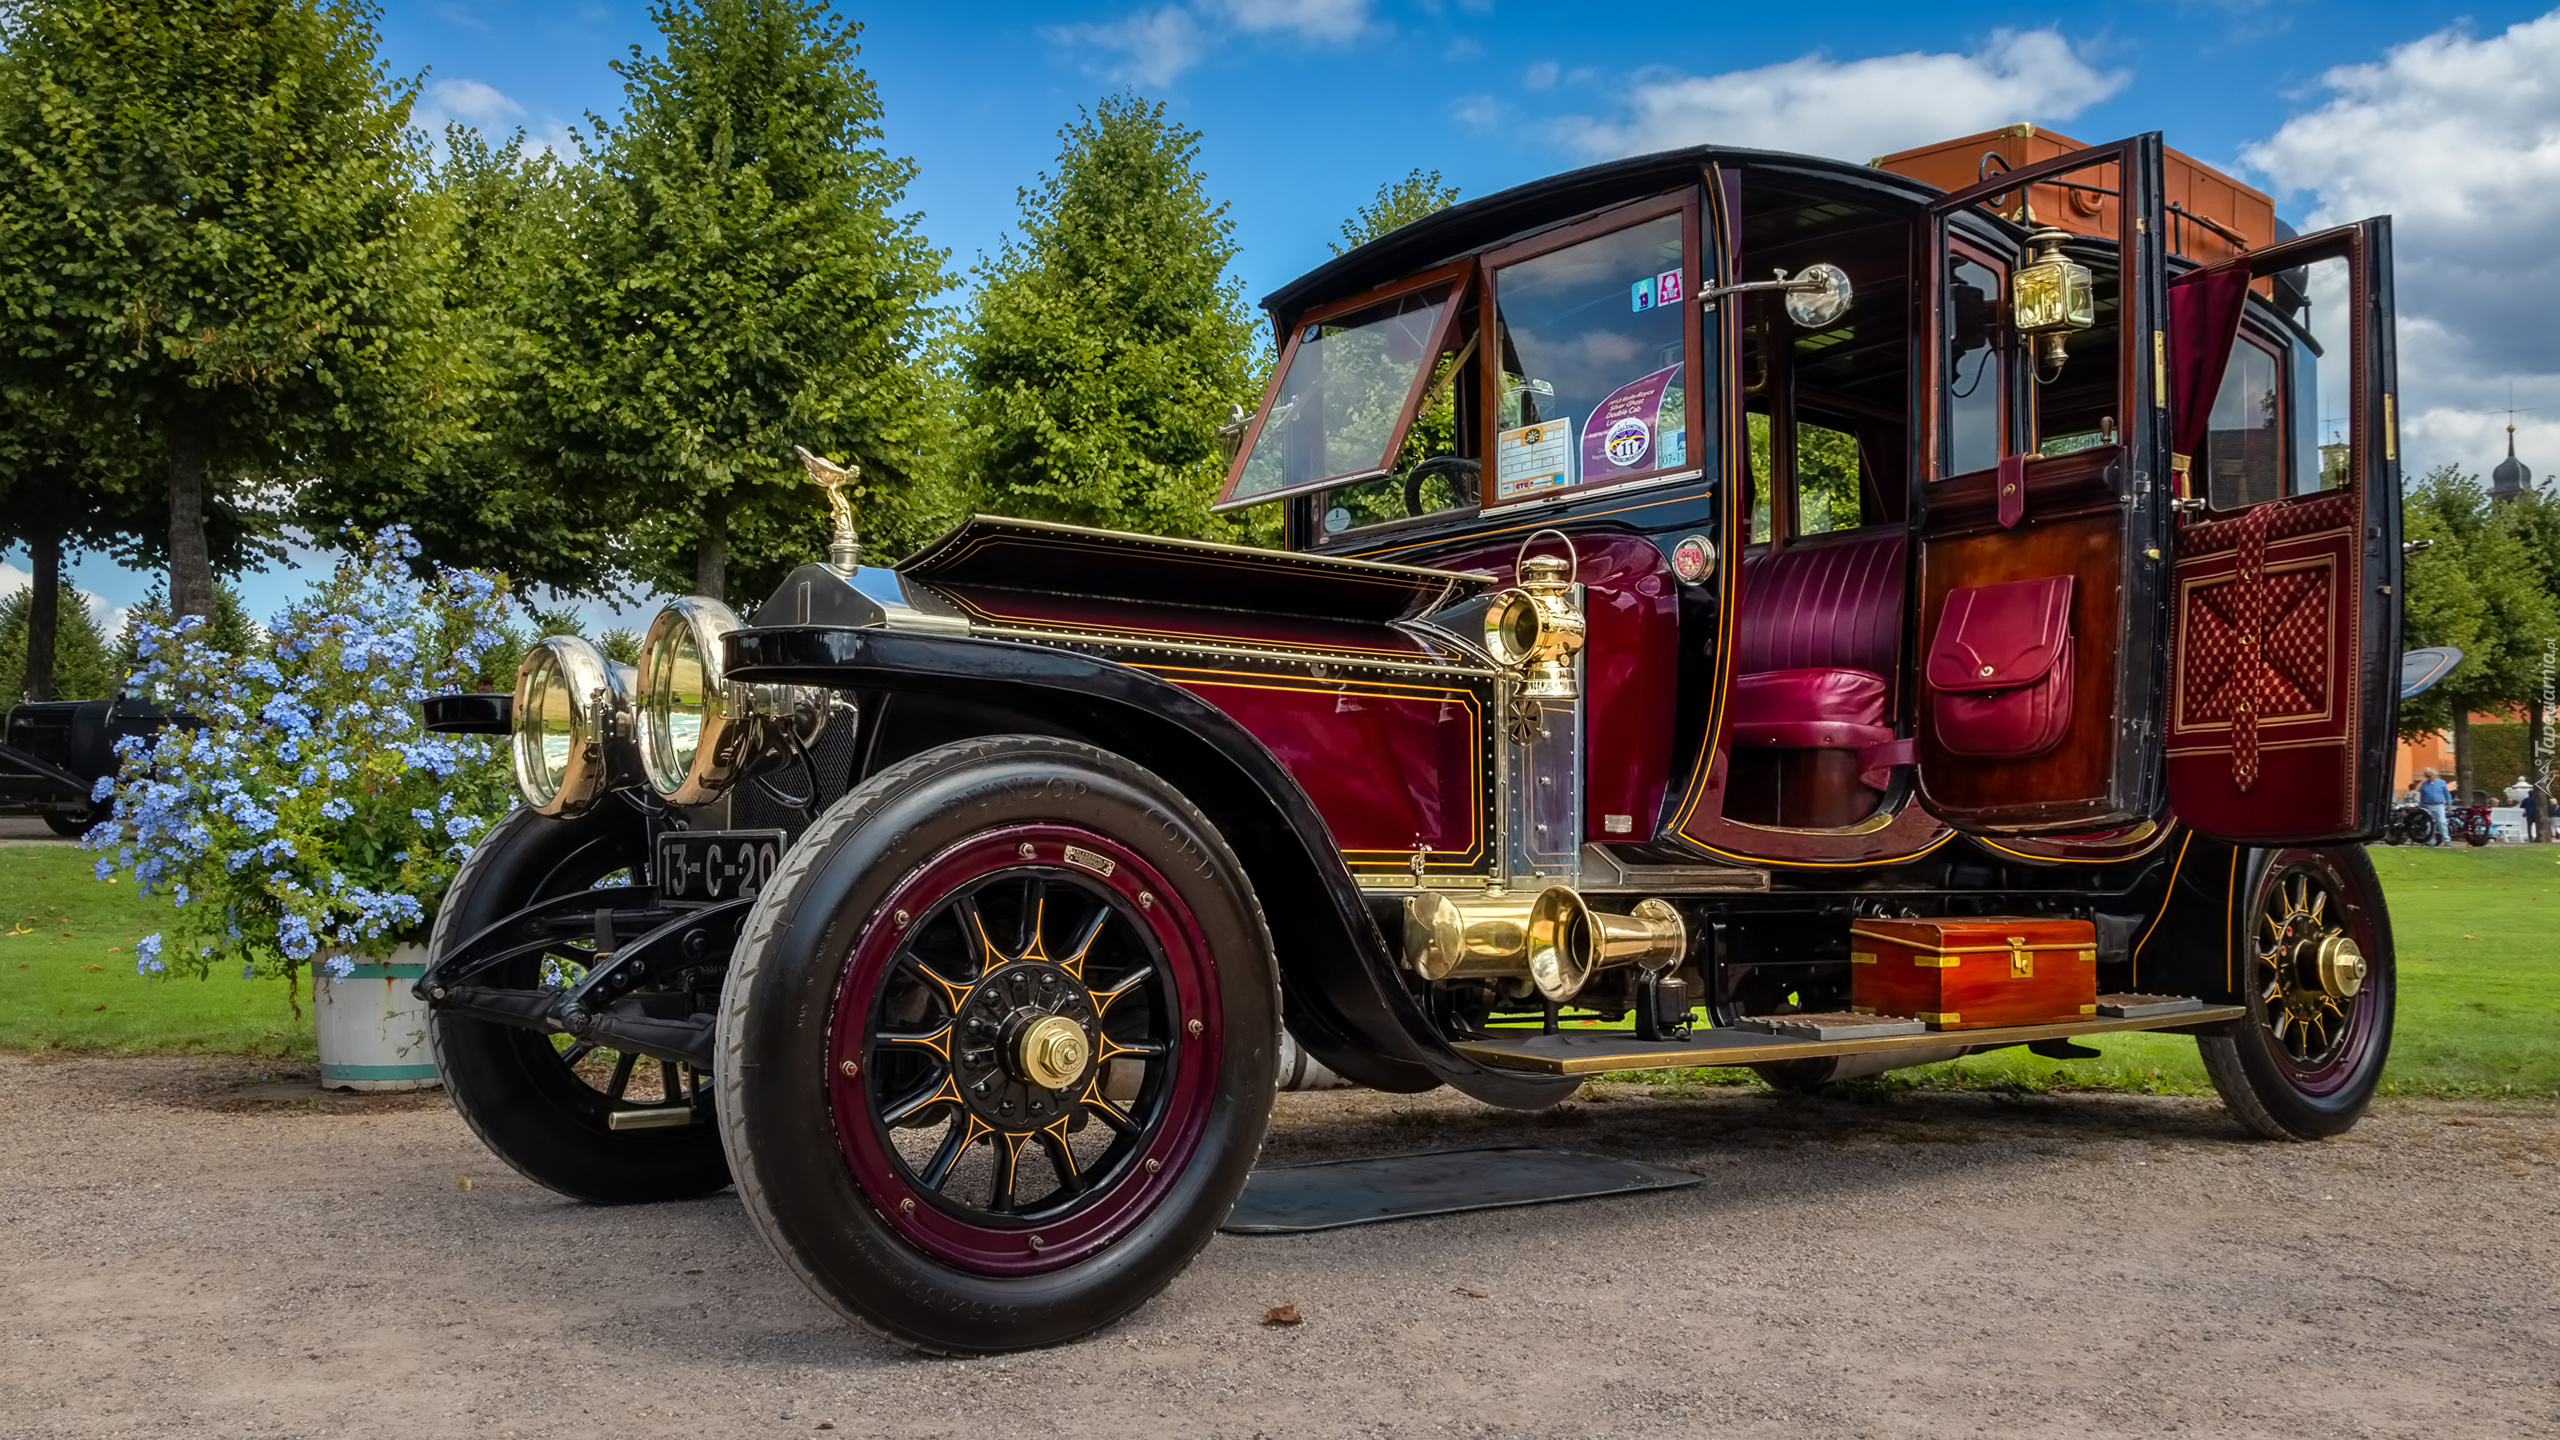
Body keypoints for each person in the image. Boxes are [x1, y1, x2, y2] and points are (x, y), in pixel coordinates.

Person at [2417, 768, 2452, 847]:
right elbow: (2422, 796)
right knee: (2430, 824)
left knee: (2442, 822)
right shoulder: (2424, 784)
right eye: (2426, 776)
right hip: (2428, 806)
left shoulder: (2442, 783)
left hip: (2439, 805)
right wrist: (2421, 807)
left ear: (2434, 774)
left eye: (2429, 776)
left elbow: (2447, 794)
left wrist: (2449, 804)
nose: (2428, 778)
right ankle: (2432, 841)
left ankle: (2446, 840)